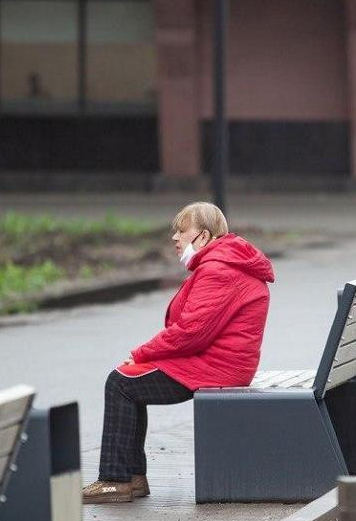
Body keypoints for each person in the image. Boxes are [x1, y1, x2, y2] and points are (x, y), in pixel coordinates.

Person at [83, 202, 275, 504]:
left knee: (120, 382)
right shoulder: (226, 263)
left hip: (214, 367)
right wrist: (147, 356)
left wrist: (142, 353)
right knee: (129, 383)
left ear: (203, 236)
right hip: (219, 361)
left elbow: (190, 333)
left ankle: (116, 480)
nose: (175, 238)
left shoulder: (219, 271)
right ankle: (131, 478)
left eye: (182, 231)